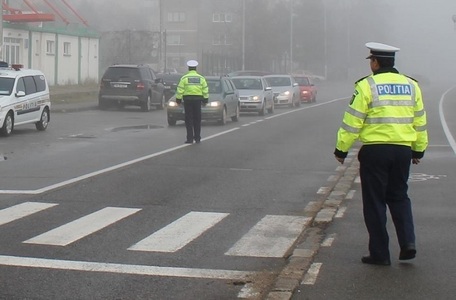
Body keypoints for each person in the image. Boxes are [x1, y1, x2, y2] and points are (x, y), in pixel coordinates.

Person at [334, 42, 428, 266]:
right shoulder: (411, 85)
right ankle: (408, 243)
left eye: (371, 61)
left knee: (375, 202)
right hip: (403, 150)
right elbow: (420, 121)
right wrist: (418, 150)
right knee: (399, 197)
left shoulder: (367, 86)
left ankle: (380, 254)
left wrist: (341, 149)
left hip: (375, 152)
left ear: (375, 62)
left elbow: (352, 122)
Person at [175, 60, 209, 144]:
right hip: (198, 100)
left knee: (188, 119)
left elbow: (180, 90)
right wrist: (205, 100)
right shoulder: (201, 78)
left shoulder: (184, 78)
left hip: (188, 100)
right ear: (195, 68)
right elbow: (205, 89)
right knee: (197, 119)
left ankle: (189, 138)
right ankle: (197, 138)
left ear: (189, 68)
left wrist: (178, 100)